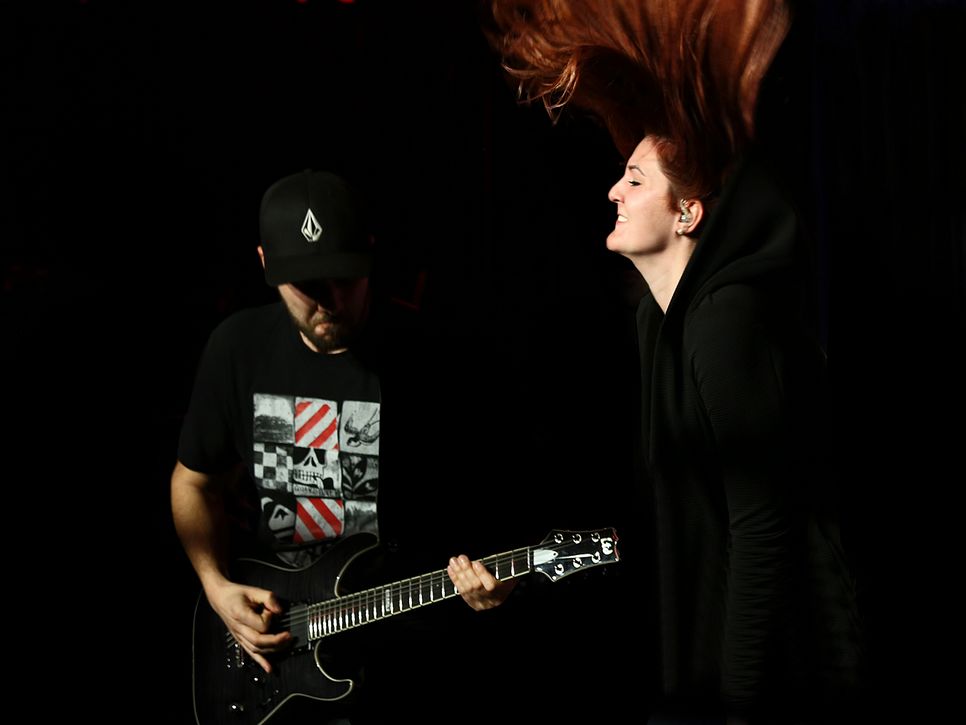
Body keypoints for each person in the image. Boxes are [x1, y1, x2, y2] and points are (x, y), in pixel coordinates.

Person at [483, 1, 863, 723]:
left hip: (784, 678)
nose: (612, 190)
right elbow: (670, 516)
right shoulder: (658, 323)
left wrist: (738, 706)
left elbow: (764, 531)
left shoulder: (726, 323)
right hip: (699, 675)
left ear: (687, 213)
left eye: (635, 180)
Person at [170, 168, 515, 724]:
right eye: (306, 286)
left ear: (369, 255)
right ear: (264, 263)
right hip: (276, 650)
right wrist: (216, 587)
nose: (329, 302)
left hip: (403, 648)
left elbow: (488, 502)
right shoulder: (237, 347)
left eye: (344, 279)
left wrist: (489, 586)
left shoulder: (437, 357)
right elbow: (193, 481)